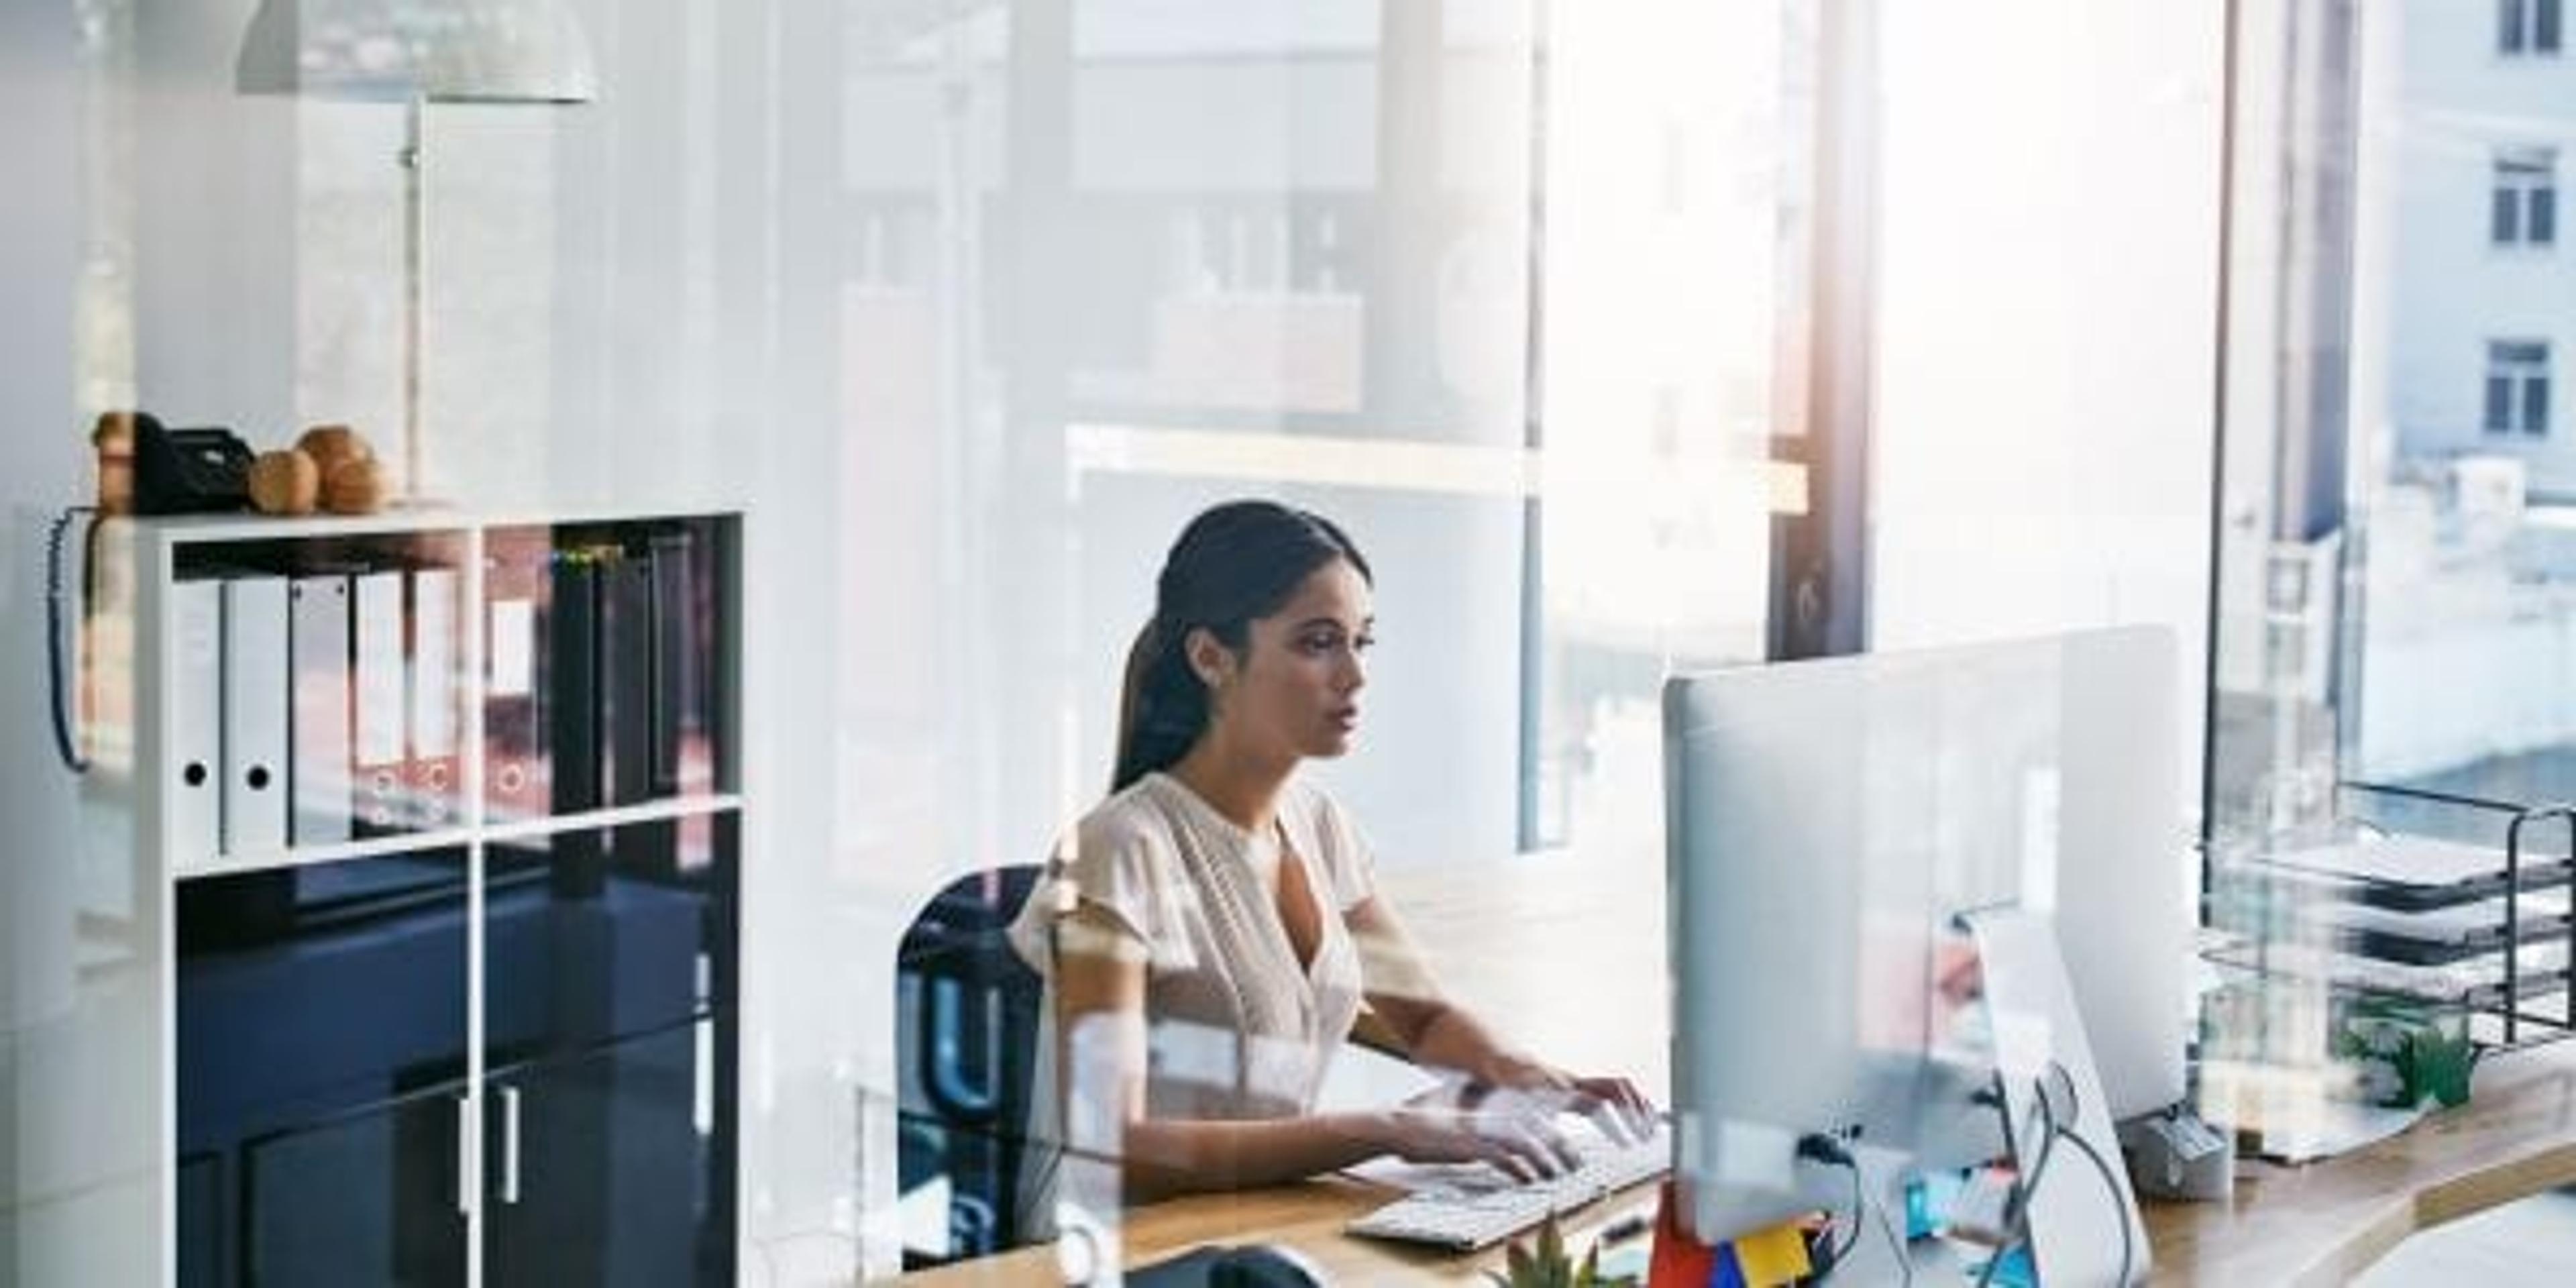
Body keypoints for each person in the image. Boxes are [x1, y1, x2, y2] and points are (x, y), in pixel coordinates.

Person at [1007, 499, 1654, 1224]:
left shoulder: (1321, 829)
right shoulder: (1117, 851)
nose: (1355, 676)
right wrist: (1389, 1130)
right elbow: (1115, 1147)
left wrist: (1539, 1081)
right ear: (1211, 657)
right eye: (1318, 643)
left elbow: (1427, 1016)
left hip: (1256, 1222)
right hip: (1118, 1248)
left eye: (1361, 642)